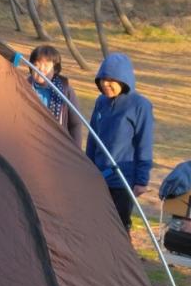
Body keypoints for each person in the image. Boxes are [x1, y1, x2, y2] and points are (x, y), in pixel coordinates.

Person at [85, 53, 153, 229]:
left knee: (118, 226)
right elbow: (93, 137)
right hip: (99, 177)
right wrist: (87, 167)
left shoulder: (140, 105)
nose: (105, 84)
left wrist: (141, 180)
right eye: (102, 80)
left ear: (123, 80)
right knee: (95, 224)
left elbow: (144, 143)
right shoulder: (101, 102)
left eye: (111, 80)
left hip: (123, 179)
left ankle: (122, 248)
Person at [27, 45, 84, 148]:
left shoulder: (65, 89)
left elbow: (75, 124)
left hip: (57, 147)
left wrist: (76, 151)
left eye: (46, 65)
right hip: (29, 144)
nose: (41, 69)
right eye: (36, 65)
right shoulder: (24, 86)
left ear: (55, 68)